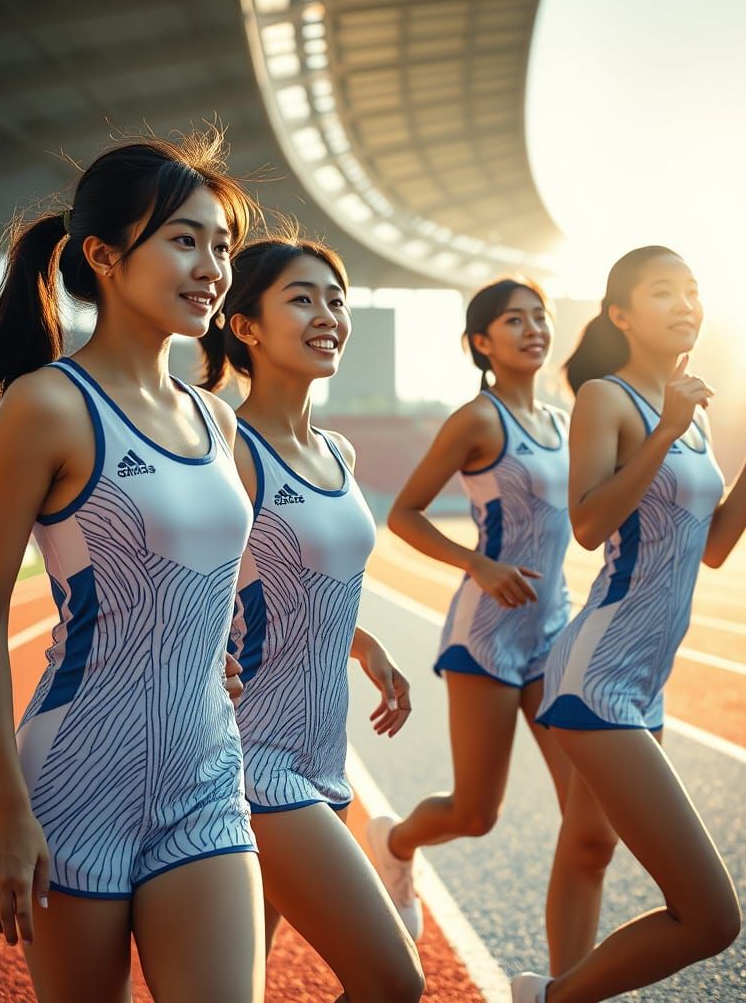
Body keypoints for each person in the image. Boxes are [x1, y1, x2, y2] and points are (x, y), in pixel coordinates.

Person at [0, 133, 266, 1002]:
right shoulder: (47, 405)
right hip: (76, 784)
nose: (212, 267)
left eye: (222, 246)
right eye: (185, 240)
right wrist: (6, 807)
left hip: (205, 776)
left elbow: (202, 578)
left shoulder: (216, 420)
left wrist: (206, 648)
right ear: (103, 256)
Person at [513, 245, 746, 1003]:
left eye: (694, 291)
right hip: (595, 672)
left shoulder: (693, 415)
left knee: (587, 847)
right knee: (710, 918)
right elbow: (586, 523)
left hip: (647, 682)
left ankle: (557, 988)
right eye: (663, 291)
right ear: (619, 315)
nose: (685, 304)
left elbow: (714, 550)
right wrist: (667, 430)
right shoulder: (609, 399)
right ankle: (549, 999)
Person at [200, 235, 425, 1003]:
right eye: (301, 298)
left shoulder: (339, 452)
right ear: (245, 326)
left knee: (241, 986)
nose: (327, 313)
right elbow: (192, 592)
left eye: (336, 299)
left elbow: (297, 584)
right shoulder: (232, 448)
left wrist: (365, 644)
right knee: (393, 980)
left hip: (323, 753)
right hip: (253, 757)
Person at [366, 278, 575, 945]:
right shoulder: (479, 420)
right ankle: (396, 842)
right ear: (481, 342)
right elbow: (403, 513)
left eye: (540, 316)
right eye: (515, 320)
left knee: (588, 814)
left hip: (553, 632)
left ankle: (570, 976)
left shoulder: (567, 423)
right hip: (486, 636)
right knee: (477, 812)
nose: (533, 328)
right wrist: (478, 564)